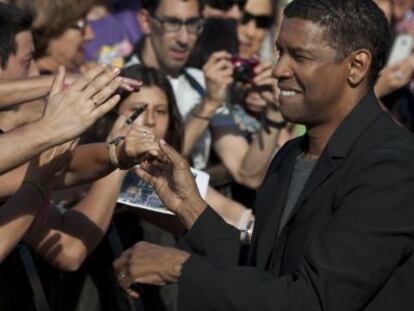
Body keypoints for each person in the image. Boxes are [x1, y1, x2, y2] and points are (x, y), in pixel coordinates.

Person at [115, 1, 414, 310]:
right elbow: (263, 268)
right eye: (281, 51)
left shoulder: (391, 167)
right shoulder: (290, 155)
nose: (278, 70)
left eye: (300, 56)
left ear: (356, 66)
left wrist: (181, 267)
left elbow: (311, 300)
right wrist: (190, 206)